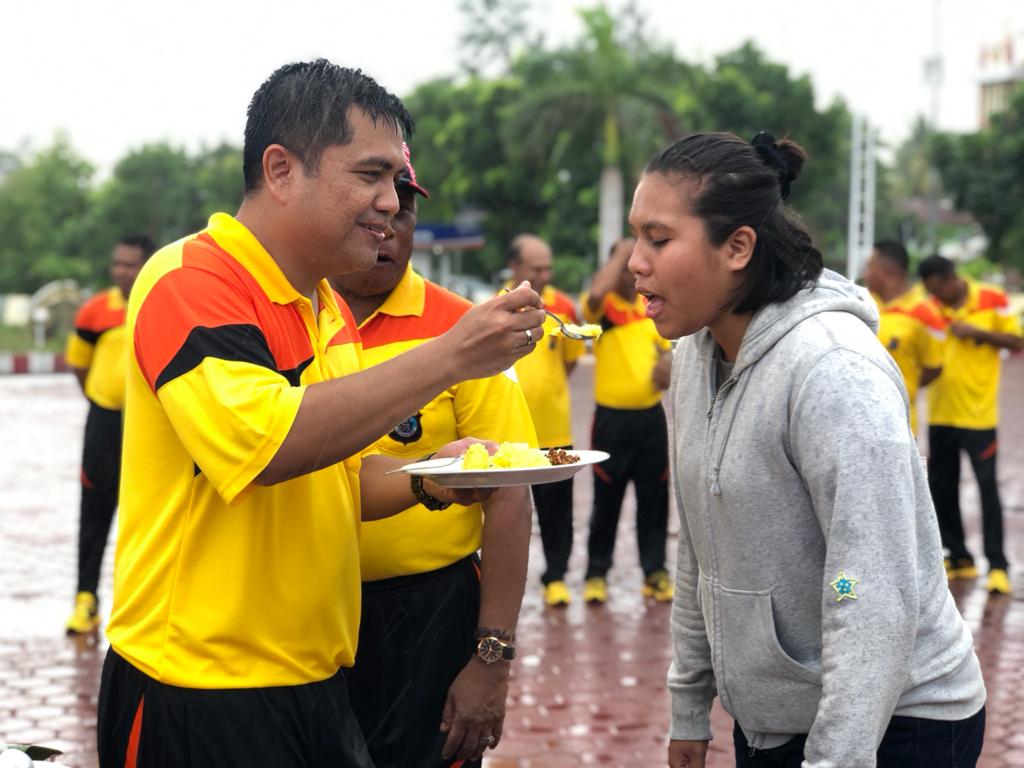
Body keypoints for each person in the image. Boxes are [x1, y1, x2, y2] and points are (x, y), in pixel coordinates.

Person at [96, 60, 545, 768]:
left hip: (314, 680)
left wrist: (430, 480)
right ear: (281, 170)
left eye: (396, 184)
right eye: (369, 175)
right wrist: (452, 355)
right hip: (201, 687)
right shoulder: (192, 280)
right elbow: (271, 446)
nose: (392, 203)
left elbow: (337, 477)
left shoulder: (321, 303)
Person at [627, 132, 986, 768]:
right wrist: (689, 707)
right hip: (775, 719)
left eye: (659, 239)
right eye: (637, 237)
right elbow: (702, 545)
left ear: (738, 247)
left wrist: (836, 756)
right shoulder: (692, 358)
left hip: (897, 724)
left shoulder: (833, 371)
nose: (635, 261)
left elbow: (868, 585)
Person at [331, 145, 535, 767]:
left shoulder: (467, 329)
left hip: (430, 616)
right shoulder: (295, 320)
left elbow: (510, 489)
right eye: (375, 212)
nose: (389, 228)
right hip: (309, 611)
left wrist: (491, 658)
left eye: (405, 214)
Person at [63, 235, 155, 634]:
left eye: (130, 265)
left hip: (150, 427)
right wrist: (100, 397)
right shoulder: (94, 312)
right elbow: (79, 365)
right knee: (95, 510)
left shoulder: (160, 303)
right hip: (104, 422)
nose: (122, 271)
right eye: (117, 264)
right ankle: (86, 601)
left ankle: (142, 607)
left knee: (150, 515)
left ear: (147, 265)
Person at [918, 254, 1024, 594]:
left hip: (978, 416)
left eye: (939, 291)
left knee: (987, 489)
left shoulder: (993, 299)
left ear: (951, 279)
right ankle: (958, 557)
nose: (937, 299)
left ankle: (998, 566)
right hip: (940, 415)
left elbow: (1017, 342)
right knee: (942, 488)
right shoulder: (929, 307)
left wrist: (976, 332)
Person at [581, 237, 673, 605]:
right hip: (611, 422)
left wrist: (666, 364)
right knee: (607, 501)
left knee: (654, 500)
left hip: (651, 420)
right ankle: (596, 574)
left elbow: (666, 352)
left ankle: (655, 573)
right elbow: (594, 295)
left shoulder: (650, 307)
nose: (631, 271)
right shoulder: (604, 311)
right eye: (625, 265)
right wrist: (620, 249)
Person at [506, 234, 585, 607]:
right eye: (536, 268)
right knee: (507, 512)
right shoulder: (496, 308)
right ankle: (504, 584)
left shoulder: (564, 307)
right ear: (515, 268)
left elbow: (570, 359)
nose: (544, 274)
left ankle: (556, 577)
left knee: (557, 510)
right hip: (508, 433)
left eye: (547, 266)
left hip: (554, 429)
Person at [862, 240, 945, 435]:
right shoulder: (862, 302)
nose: (865, 274)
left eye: (869, 267)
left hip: (900, 426)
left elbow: (934, 367)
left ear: (888, 271)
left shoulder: (925, 312)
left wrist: (902, 389)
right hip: (860, 423)